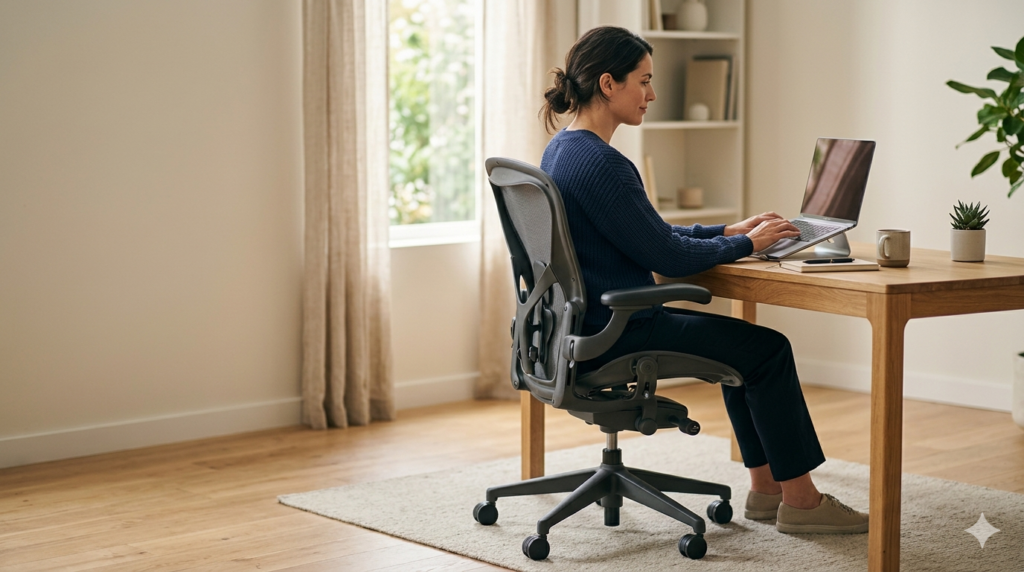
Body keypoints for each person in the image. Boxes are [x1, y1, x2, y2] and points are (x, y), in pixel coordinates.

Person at [538, 26, 869, 535]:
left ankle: (767, 493)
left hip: (579, 328)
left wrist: (728, 231)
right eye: (643, 81)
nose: (652, 94)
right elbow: (667, 257)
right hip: (620, 330)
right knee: (767, 351)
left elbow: (646, 235)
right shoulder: (604, 164)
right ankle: (802, 503)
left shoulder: (562, 150)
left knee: (743, 353)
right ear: (608, 83)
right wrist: (748, 245)